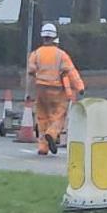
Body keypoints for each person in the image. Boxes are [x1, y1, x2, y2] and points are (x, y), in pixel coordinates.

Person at [27, 23, 84, 156]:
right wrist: (80, 86)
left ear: (42, 37)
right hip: (57, 91)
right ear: (54, 37)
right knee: (59, 115)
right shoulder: (61, 55)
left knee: (42, 118)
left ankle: (43, 147)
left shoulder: (36, 54)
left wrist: (28, 94)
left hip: (40, 90)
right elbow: (71, 71)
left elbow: (30, 74)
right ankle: (51, 134)